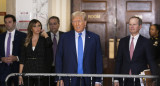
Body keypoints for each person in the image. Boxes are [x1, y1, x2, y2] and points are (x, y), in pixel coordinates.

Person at [55, 11, 103, 86]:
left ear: (85, 23)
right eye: (74, 21)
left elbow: (98, 60)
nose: (77, 24)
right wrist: (59, 78)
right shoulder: (64, 38)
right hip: (69, 79)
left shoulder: (94, 38)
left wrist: (98, 81)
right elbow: (58, 58)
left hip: (89, 79)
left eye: (79, 21)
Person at [114, 16, 157, 86]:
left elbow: (151, 61)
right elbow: (118, 61)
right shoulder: (123, 41)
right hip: (124, 79)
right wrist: (116, 79)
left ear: (140, 26)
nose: (131, 26)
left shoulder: (146, 42)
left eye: (134, 24)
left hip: (140, 80)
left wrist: (154, 79)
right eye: (130, 24)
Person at [19, 19, 52, 86]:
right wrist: (20, 75)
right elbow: (22, 59)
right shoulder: (26, 40)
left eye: (39, 26)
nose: (37, 28)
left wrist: (46, 35)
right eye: (34, 26)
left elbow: (49, 44)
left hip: (41, 70)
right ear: (31, 28)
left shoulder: (44, 39)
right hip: (28, 70)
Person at [0, 14, 26, 86]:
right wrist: (1, 58)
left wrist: (16, 58)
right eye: (6, 22)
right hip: (3, 69)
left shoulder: (23, 36)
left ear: (14, 23)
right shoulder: (1, 36)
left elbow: (26, 53)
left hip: (18, 68)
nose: (7, 24)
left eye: (9, 22)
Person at [47, 16, 64, 86]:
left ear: (59, 24)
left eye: (54, 23)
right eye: (50, 24)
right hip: (48, 68)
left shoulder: (65, 35)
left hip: (62, 68)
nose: (52, 26)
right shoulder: (44, 36)